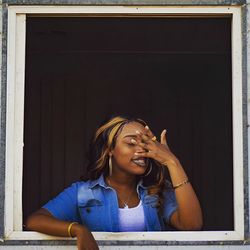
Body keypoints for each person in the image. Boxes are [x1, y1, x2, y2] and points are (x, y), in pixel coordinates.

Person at [25, 115, 203, 250]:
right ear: (110, 150)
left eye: (146, 143)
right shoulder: (84, 193)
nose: (141, 149)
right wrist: (79, 230)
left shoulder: (156, 191)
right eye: (132, 143)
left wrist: (172, 162)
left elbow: (192, 225)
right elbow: (35, 220)